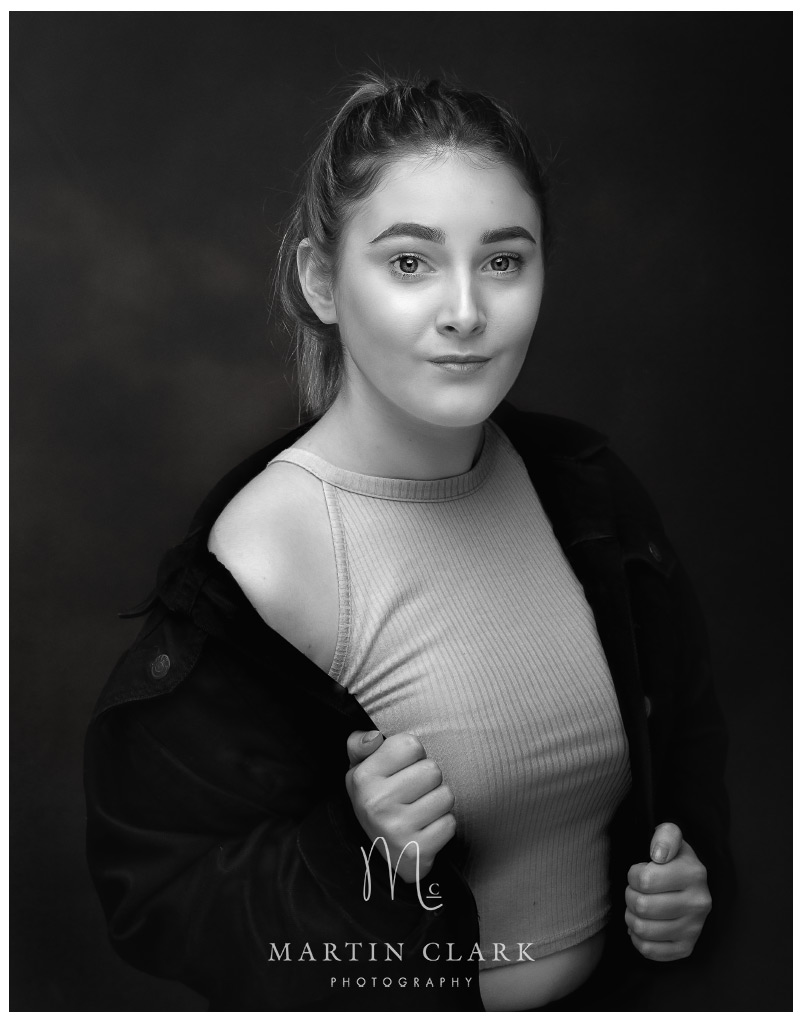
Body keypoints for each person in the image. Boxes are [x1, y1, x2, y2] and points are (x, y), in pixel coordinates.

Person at [84, 74, 732, 1012]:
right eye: (410, 263)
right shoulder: (264, 557)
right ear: (321, 282)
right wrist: (364, 859)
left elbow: (684, 748)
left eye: (504, 261)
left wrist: (677, 888)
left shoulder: (586, 489)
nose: (467, 310)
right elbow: (162, 897)